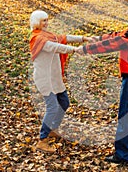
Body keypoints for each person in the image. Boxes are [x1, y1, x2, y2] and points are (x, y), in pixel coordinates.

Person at [76, 0, 128, 164]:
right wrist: (98, 38)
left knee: (126, 113)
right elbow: (118, 35)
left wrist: (86, 49)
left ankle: (122, 155)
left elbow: (115, 43)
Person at [29, 10, 91, 153]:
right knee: (52, 107)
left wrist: (83, 38)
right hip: (45, 79)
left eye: (46, 20)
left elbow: (63, 38)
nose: (46, 23)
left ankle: (52, 129)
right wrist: (75, 50)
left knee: (64, 102)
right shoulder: (37, 39)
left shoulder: (48, 35)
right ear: (36, 22)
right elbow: (56, 47)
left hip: (55, 78)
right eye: (43, 20)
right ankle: (42, 140)